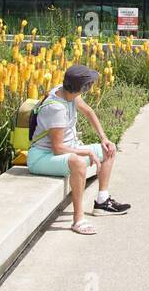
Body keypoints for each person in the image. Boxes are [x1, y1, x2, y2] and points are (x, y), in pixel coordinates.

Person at [27, 63, 130, 236]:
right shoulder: (56, 108)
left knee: (109, 149)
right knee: (78, 162)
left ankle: (102, 201)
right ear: (81, 87)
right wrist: (86, 152)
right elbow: (58, 148)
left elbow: (89, 112)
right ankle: (78, 219)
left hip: (65, 150)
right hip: (42, 157)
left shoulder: (69, 93)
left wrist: (104, 138)